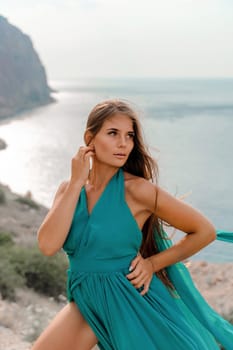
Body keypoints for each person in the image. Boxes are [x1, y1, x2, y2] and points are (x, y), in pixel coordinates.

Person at [32, 99, 233, 350]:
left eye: (129, 136)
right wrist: (75, 183)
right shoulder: (70, 190)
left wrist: (152, 264)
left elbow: (204, 231)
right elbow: (48, 246)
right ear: (89, 137)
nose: (123, 144)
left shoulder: (138, 190)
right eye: (113, 133)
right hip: (87, 300)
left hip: (131, 301)